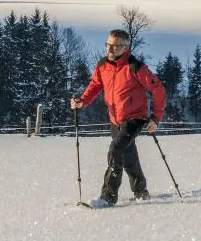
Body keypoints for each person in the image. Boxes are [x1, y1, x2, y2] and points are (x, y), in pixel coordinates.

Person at [70, 29, 166, 206]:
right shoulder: (102, 66)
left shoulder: (136, 67)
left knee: (116, 150)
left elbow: (158, 90)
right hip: (115, 119)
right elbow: (95, 86)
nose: (110, 49)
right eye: (108, 45)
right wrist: (82, 101)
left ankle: (108, 196)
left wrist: (155, 118)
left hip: (135, 118)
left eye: (115, 46)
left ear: (125, 48)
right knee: (128, 155)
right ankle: (141, 191)